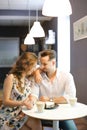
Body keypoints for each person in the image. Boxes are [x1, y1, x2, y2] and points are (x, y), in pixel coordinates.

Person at [36, 49, 77, 130]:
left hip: (61, 113)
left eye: (44, 64)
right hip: (42, 113)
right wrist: (36, 72)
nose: (41, 67)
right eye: (40, 64)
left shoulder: (66, 76)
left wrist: (49, 99)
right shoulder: (38, 76)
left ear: (53, 62)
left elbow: (70, 97)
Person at [0, 52, 42, 130]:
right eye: (33, 66)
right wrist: (22, 103)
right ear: (25, 65)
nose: (34, 69)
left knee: (37, 123)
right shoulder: (11, 78)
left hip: (22, 113)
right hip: (8, 115)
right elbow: (5, 101)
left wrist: (37, 72)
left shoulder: (27, 80)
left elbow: (40, 67)